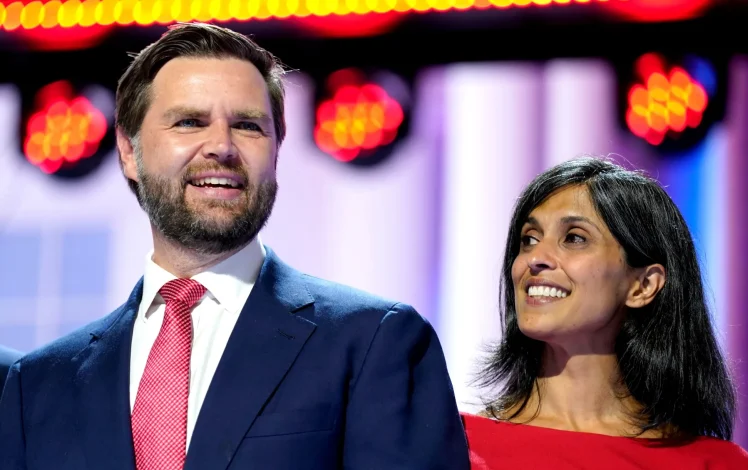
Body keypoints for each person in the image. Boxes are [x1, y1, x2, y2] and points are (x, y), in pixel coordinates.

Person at [0, 23, 469, 470]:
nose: (221, 146)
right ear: (128, 151)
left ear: (276, 149)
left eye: (248, 126)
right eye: (189, 122)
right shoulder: (37, 384)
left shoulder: (374, 342)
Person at [462, 156, 748, 469]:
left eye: (574, 238)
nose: (535, 258)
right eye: (529, 239)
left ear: (643, 286)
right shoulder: (457, 448)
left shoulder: (718, 465)